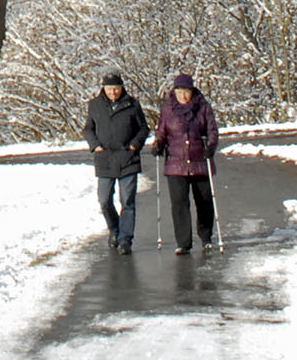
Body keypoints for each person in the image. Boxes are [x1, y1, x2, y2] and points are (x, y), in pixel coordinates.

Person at [154, 70, 222, 254]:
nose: (182, 96)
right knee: (179, 204)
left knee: (204, 201)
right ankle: (183, 242)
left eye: (186, 91)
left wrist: (211, 147)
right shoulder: (168, 109)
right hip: (176, 164)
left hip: (200, 161)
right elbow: (161, 131)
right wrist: (158, 145)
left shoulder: (203, 107)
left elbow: (212, 131)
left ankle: (206, 236)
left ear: (192, 91)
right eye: (179, 92)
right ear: (174, 92)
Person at [82, 71, 149, 255]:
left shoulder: (133, 104)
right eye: (109, 88)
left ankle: (125, 239)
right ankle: (114, 229)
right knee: (104, 200)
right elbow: (88, 129)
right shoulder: (95, 105)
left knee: (127, 200)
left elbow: (143, 128)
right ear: (103, 88)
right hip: (105, 159)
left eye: (116, 88)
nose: (113, 92)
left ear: (122, 88)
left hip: (128, 158)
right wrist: (95, 145)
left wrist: (135, 145)